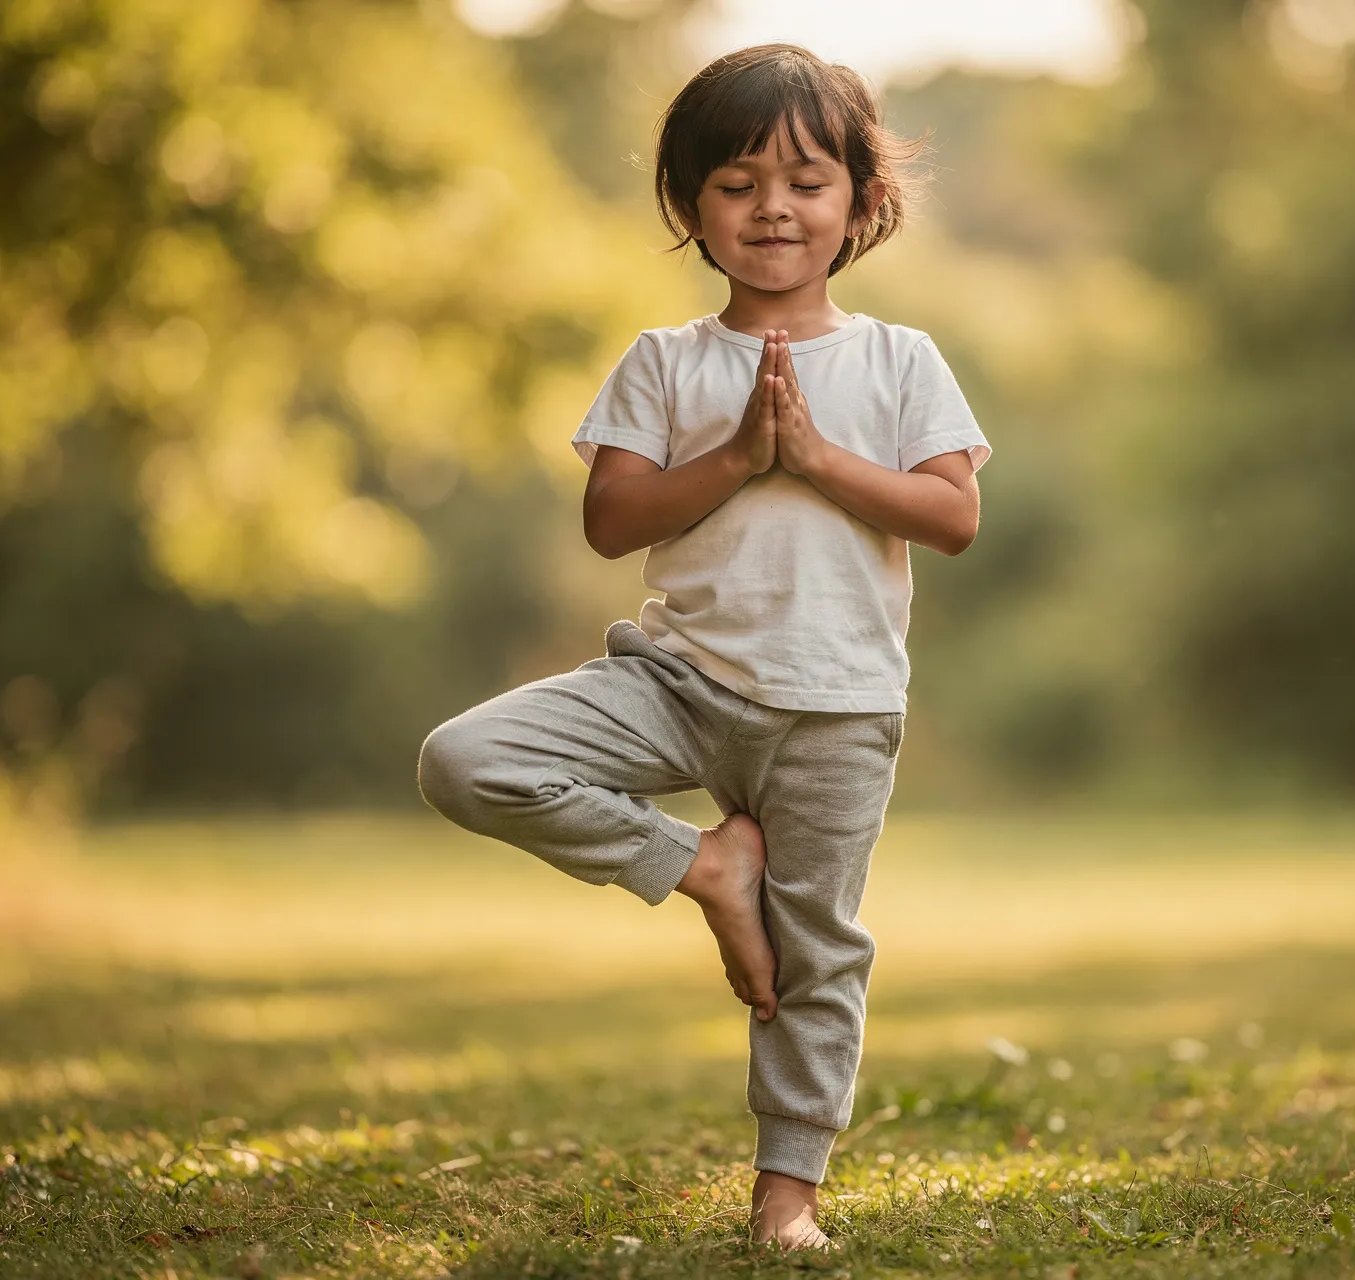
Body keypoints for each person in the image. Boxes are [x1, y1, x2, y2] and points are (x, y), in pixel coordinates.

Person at [416, 43, 990, 1250]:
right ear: (689, 206)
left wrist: (816, 456)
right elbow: (611, 517)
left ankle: (789, 1196)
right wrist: (736, 455)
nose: (773, 206)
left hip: (836, 706)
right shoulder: (664, 362)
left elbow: (952, 518)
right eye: (735, 182)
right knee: (465, 759)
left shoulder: (900, 361)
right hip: (674, 684)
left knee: (817, 949)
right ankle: (703, 867)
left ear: (860, 203)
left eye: (805, 179)